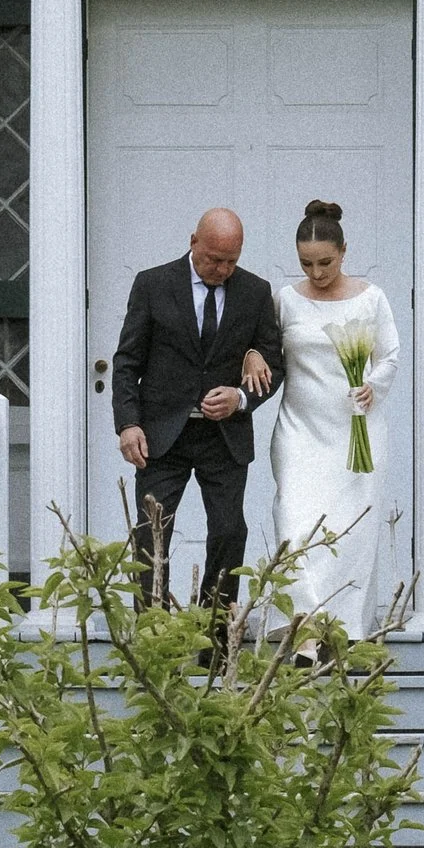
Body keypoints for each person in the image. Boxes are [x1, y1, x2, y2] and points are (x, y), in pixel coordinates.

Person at [109, 206, 283, 609]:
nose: (222, 270)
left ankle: (217, 639)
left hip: (223, 438)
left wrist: (240, 398)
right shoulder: (152, 284)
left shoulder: (255, 292)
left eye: (231, 262)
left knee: (228, 531)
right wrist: (128, 424)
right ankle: (153, 638)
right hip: (161, 437)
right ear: (193, 243)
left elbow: (274, 362)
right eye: (213, 260)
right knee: (152, 535)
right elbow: (127, 361)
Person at [265, 198, 401, 639]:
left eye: (325, 262)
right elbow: (265, 349)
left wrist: (373, 385)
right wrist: (251, 355)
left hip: (355, 432)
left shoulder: (371, 299)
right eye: (306, 264)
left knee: (350, 532)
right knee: (295, 522)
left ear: (344, 251)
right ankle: (301, 628)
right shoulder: (285, 300)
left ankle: (342, 631)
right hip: (300, 431)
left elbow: (390, 356)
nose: (317, 273)